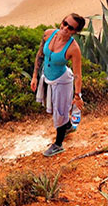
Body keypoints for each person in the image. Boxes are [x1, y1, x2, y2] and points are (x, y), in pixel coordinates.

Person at [30, 13, 85, 157]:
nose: (65, 28)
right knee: (55, 107)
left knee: (60, 111)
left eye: (71, 27)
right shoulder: (48, 34)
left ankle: (58, 144)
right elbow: (40, 55)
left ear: (75, 32)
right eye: (65, 23)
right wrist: (35, 76)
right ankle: (67, 127)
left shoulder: (73, 48)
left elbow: (78, 74)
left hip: (62, 81)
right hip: (47, 77)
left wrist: (77, 95)